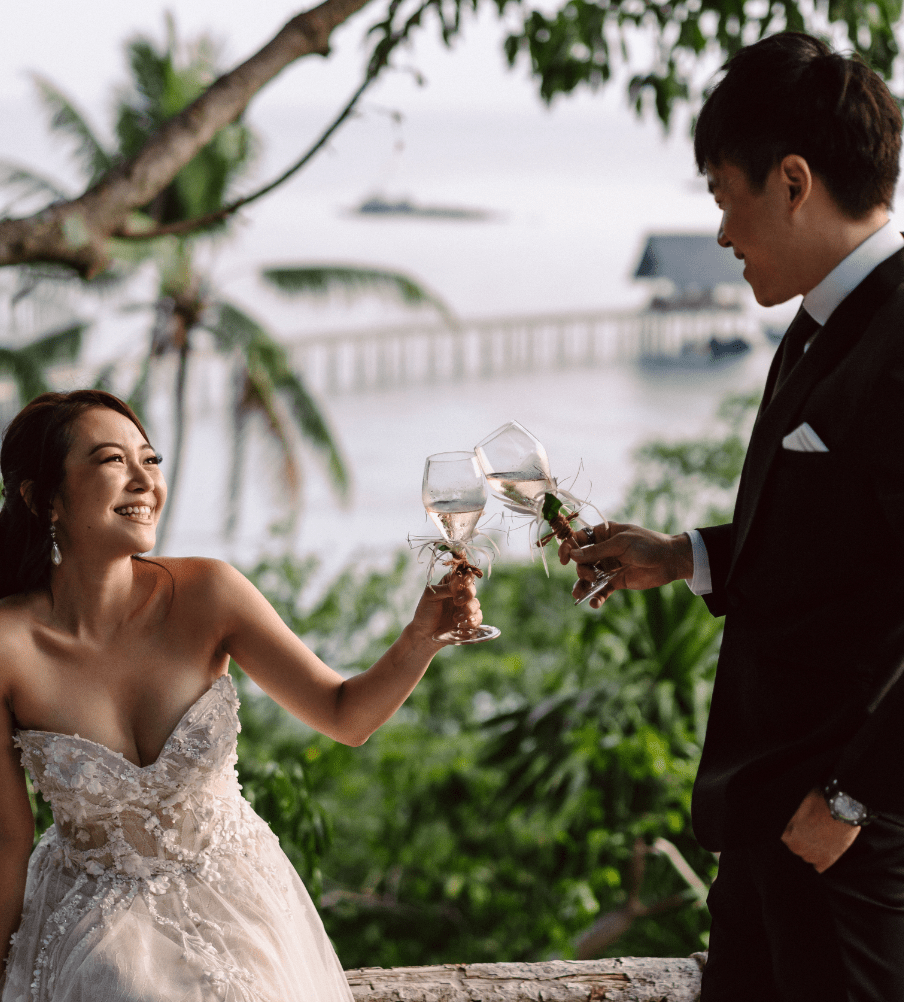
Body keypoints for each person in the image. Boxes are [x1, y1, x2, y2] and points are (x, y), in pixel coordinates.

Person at [561, 32, 904, 1002]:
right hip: (768, 816)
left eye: (723, 195)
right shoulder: (814, 325)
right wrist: (681, 557)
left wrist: (851, 800)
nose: (719, 233)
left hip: (845, 835)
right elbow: (842, 552)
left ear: (792, 181)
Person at [0, 389, 482, 1002]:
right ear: (43, 499)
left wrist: (421, 638)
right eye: (110, 460)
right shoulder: (7, 646)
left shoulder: (209, 593)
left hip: (237, 897)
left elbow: (345, 716)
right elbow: (5, 841)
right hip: (92, 916)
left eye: (151, 460)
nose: (143, 481)